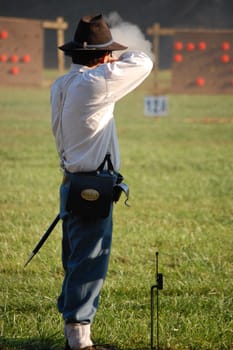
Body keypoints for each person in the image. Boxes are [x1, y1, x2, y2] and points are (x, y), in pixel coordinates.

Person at [50, 14, 153, 350]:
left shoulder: (63, 83)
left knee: (76, 258)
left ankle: (73, 331)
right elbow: (143, 61)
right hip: (91, 185)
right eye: (108, 53)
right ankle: (79, 341)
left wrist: (107, 56)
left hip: (73, 183)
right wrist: (116, 57)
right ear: (102, 56)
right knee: (88, 259)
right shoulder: (96, 82)